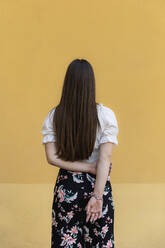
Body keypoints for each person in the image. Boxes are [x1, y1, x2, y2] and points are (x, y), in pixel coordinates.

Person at [41, 58, 119, 248]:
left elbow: (52, 157)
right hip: (97, 184)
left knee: (65, 242)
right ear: (91, 84)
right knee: (99, 242)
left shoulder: (54, 116)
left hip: (67, 187)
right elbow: (105, 158)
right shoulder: (105, 115)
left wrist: (84, 167)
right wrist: (97, 197)